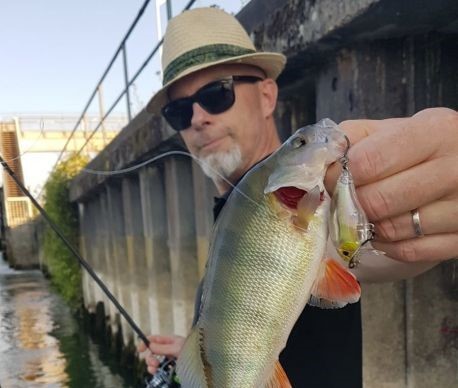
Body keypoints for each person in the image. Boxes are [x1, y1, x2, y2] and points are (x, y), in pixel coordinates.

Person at [138, 7, 458, 387]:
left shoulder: (319, 192)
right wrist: (200, 356)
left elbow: (369, 251)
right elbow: (235, 324)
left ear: (267, 95)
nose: (197, 118)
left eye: (216, 94)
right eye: (178, 111)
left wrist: (432, 179)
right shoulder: (228, 213)